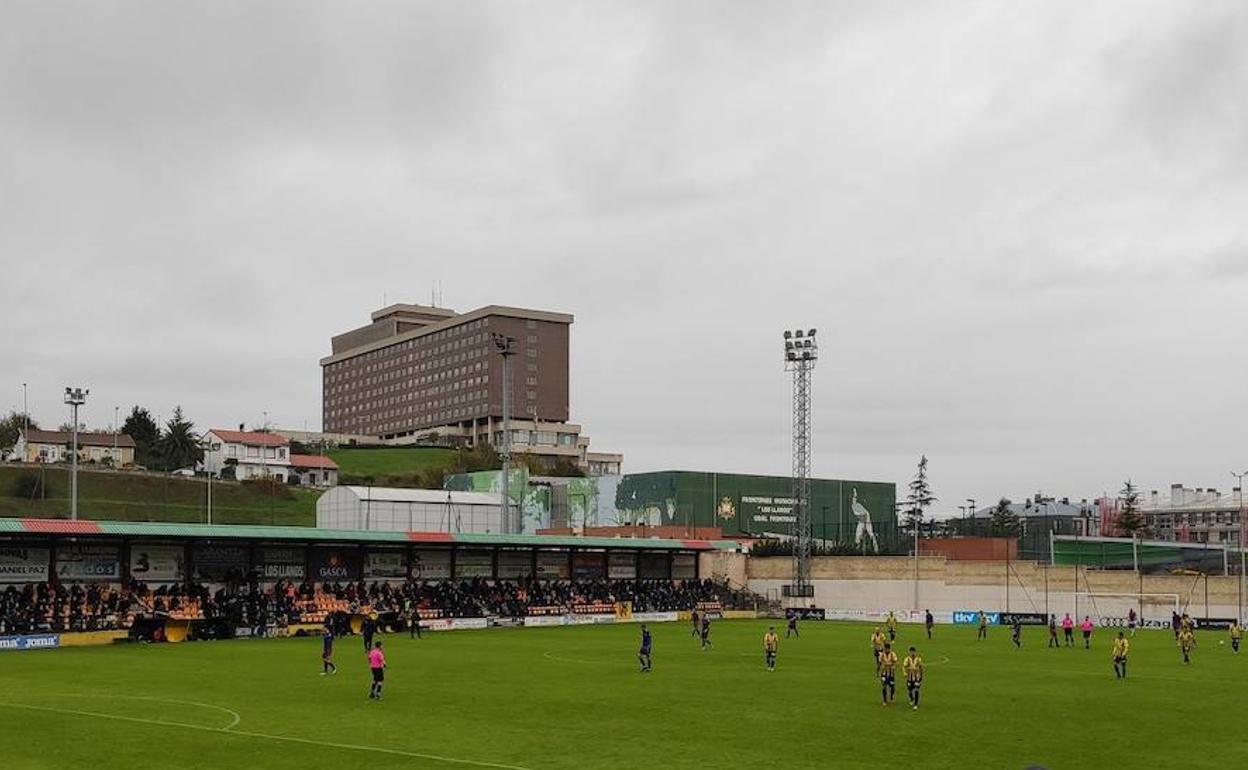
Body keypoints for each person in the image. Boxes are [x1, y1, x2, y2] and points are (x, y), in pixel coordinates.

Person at [902, 646, 924, 710]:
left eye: (913, 652)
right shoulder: (907, 659)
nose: (912, 653)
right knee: (910, 690)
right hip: (909, 678)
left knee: (916, 690)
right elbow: (904, 667)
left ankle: (915, 704)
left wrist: (921, 676)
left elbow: (921, 668)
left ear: (915, 652)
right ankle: (911, 698)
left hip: (917, 677)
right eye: (911, 652)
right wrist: (904, 672)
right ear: (909, 652)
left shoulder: (918, 659)